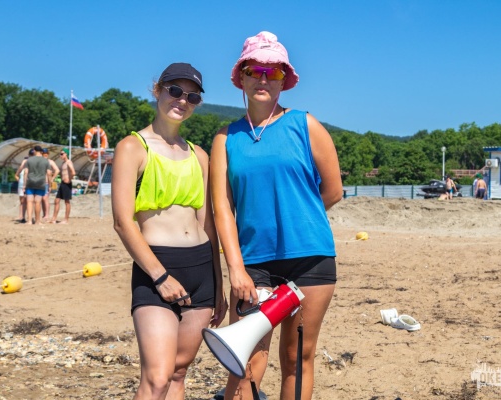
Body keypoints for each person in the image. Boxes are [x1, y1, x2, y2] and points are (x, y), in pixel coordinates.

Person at [210, 31, 344, 400]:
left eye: (274, 72)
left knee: (297, 357)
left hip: (310, 258)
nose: (264, 79)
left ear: (285, 80)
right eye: (254, 70)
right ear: (241, 78)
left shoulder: (305, 125)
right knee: (246, 361)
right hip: (253, 264)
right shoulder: (225, 138)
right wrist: (236, 269)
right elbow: (222, 208)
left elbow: (333, 190)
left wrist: (298, 218)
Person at [112, 63, 227, 400]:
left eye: (192, 96)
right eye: (175, 91)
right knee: (157, 378)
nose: (182, 100)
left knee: (178, 373)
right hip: (157, 269)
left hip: (201, 272)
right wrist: (160, 277)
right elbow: (122, 221)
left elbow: (208, 224)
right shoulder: (132, 147)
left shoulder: (199, 155)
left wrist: (218, 284)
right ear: (157, 90)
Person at [23, 145, 52, 225]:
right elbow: (49, 173)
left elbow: (25, 172)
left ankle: (29, 221)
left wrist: (24, 185)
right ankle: (37, 221)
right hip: (41, 183)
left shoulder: (29, 160)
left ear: (34, 151)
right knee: (38, 202)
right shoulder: (46, 161)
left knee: (29, 201)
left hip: (30, 182)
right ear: (41, 151)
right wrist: (50, 185)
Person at [50, 148, 75, 224]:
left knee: (67, 201)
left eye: (62, 154)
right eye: (60, 154)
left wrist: (69, 179)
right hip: (62, 183)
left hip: (67, 184)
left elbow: (73, 172)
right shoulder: (63, 163)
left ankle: (66, 219)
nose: (60, 155)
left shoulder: (68, 162)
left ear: (66, 154)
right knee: (57, 200)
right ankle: (54, 218)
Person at [14, 149, 35, 223]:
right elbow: (20, 171)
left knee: (28, 200)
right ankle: (22, 216)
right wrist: (18, 177)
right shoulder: (26, 161)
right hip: (24, 181)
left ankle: (27, 217)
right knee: (23, 200)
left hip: (29, 182)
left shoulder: (34, 162)